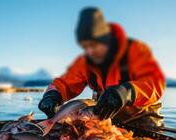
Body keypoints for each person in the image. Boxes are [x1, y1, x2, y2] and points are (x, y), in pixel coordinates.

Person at [38, 7, 166, 129]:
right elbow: (66, 83)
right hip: (106, 116)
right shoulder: (85, 61)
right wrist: (52, 95)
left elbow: (155, 83)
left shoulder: (135, 50)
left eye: (93, 45)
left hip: (142, 117)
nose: (89, 51)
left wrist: (126, 92)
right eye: (85, 46)